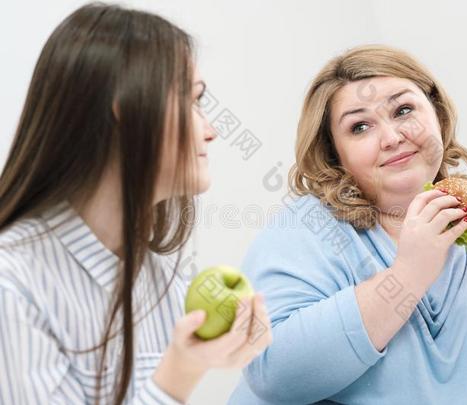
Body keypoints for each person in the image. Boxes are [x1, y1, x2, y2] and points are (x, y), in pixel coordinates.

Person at [228, 45, 467, 404]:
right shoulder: (304, 229)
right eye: (360, 127)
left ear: (437, 116)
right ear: (334, 154)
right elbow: (272, 374)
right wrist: (407, 276)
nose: (391, 138)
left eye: (404, 110)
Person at [0, 3, 272, 404]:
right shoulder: (12, 283)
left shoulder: (161, 280)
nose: (211, 131)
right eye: (192, 101)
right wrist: (177, 376)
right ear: (125, 107)